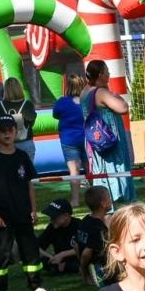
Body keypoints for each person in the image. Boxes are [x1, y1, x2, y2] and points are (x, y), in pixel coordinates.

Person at [0, 114, 55, 291]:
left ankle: (36, 286)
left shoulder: (22, 156)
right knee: (2, 253)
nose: (7, 134)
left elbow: (29, 184)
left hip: (23, 213)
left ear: (16, 131)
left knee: (30, 251)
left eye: (10, 130)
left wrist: (33, 209)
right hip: (3, 217)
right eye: (2, 131)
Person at [81, 59, 137, 204]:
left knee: (102, 172)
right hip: (110, 141)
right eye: (107, 71)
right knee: (115, 169)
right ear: (100, 75)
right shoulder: (101, 92)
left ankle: (105, 201)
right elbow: (123, 108)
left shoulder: (85, 92)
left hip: (96, 142)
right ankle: (118, 197)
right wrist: (117, 96)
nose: (110, 74)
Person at [52, 72, 88, 210]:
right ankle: (96, 196)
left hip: (68, 140)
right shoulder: (86, 101)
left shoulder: (62, 102)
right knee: (90, 168)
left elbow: (55, 114)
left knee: (74, 171)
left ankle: (75, 200)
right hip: (85, 139)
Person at [0, 76, 39, 164]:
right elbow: (31, 121)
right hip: (25, 143)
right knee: (27, 174)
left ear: (5, 90)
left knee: (9, 174)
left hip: (6, 145)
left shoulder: (0, 106)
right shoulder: (27, 104)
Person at [75, 184, 113, 286]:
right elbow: (87, 253)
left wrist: (81, 264)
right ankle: (96, 276)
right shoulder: (99, 229)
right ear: (103, 203)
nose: (111, 200)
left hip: (88, 263)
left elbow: (76, 245)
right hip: (98, 265)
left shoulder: (85, 220)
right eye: (109, 198)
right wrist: (83, 269)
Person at [39, 198, 81, 274]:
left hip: (77, 258)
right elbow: (37, 246)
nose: (51, 220)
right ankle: (60, 267)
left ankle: (65, 267)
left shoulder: (79, 225)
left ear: (66, 215)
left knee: (77, 264)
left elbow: (86, 247)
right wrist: (51, 257)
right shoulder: (52, 228)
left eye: (54, 217)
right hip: (59, 260)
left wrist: (63, 254)